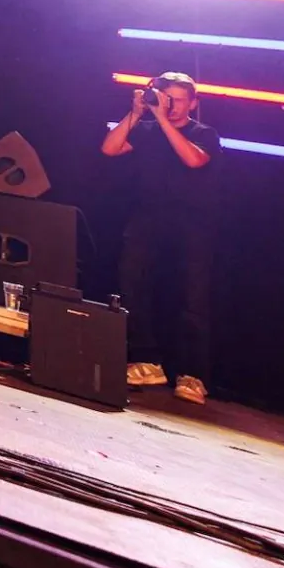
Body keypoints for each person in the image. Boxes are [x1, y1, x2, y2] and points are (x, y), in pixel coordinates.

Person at [101, 71, 220, 404]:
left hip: (193, 222)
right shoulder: (147, 129)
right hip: (148, 216)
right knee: (132, 284)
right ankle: (146, 361)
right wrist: (136, 113)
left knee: (191, 298)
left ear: (193, 103)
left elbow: (194, 160)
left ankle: (192, 374)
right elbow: (109, 148)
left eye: (178, 100)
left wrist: (163, 120)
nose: (171, 106)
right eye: (167, 99)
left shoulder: (204, 134)